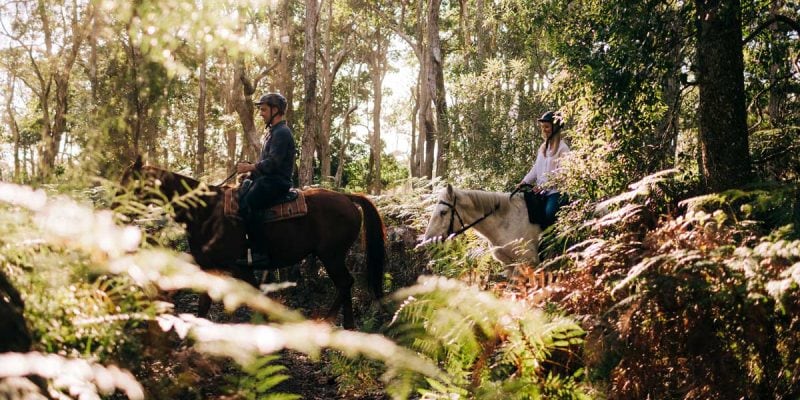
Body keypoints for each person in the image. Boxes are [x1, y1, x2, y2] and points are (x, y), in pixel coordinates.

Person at [236, 93, 296, 266]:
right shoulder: (272, 133)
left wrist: (250, 167)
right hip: (267, 179)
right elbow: (264, 164)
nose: (261, 113)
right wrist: (250, 173)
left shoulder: (282, 133)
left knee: (249, 202)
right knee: (240, 194)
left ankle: (260, 252)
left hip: (277, 182)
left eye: (263, 110)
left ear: (275, 110)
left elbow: (272, 164)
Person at [516, 111, 570, 228]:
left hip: (555, 192)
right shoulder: (543, 148)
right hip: (540, 192)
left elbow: (562, 174)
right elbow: (536, 169)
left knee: (549, 214)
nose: (544, 129)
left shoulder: (563, 149)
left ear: (555, 127)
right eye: (543, 127)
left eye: (547, 126)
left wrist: (543, 187)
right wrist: (524, 182)